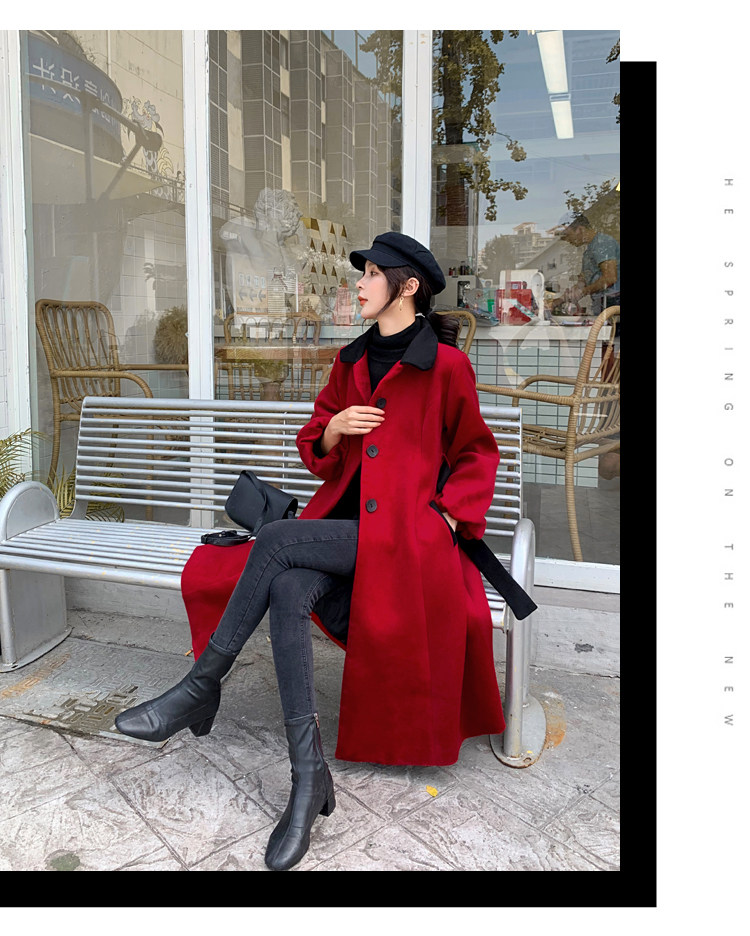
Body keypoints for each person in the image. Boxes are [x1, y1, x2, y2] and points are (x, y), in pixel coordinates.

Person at [115, 232, 505, 872]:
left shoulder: (445, 367)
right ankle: (308, 778)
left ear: (408, 287)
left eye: (373, 273)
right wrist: (334, 429)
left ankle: (199, 687)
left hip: (407, 542)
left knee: (274, 540)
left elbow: (476, 454)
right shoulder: (351, 362)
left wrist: (441, 518)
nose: (360, 283)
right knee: (288, 585)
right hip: (349, 533)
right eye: (362, 273)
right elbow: (315, 448)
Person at [553, 214, 620, 316]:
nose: (567, 239)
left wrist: (583, 292)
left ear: (580, 230)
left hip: (614, 301)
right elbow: (583, 282)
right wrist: (560, 300)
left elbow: (610, 278)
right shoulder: (588, 252)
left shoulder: (602, 243)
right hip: (601, 302)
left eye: (568, 235)